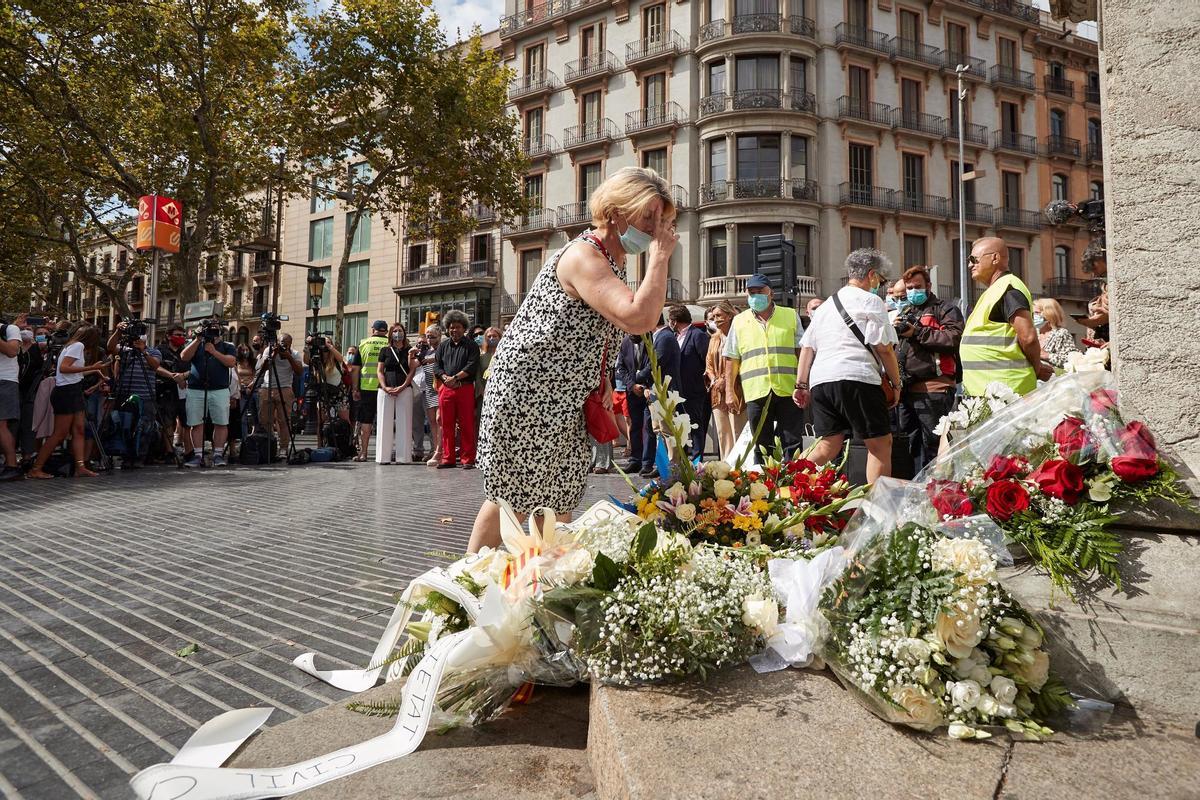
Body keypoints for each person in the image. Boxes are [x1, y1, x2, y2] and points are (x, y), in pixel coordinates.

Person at [471, 166, 678, 552]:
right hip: (530, 393)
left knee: (560, 496)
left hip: (567, 399)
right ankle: (461, 587)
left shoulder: (610, 260)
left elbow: (596, 335)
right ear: (616, 210)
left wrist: (599, 383)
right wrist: (659, 258)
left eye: (662, 220)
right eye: (648, 215)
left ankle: (537, 584)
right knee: (513, 498)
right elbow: (638, 318)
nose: (655, 228)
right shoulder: (585, 254)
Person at [795, 249, 901, 483]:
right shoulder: (871, 301)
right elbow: (884, 348)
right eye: (881, 281)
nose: (880, 286)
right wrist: (896, 382)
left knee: (827, 443)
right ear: (872, 275)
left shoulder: (824, 306)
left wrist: (801, 384)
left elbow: (807, 347)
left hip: (821, 381)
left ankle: (785, 483)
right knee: (880, 444)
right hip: (858, 377)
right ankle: (876, 508)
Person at [724, 273, 805, 459]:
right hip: (756, 390)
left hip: (788, 388)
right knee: (761, 444)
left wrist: (803, 383)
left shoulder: (790, 316)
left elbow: (801, 352)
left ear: (771, 293)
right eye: (751, 292)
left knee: (792, 442)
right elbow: (731, 358)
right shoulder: (739, 321)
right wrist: (730, 391)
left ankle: (792, 485)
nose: (755, 296)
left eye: (759, 291)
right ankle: (763, 485)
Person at [961, 237, 1052, 396]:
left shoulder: (1009, 288)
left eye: (974, 259)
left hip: (1006, 392)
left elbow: (1028, 337)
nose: (970, 265)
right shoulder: (996, 290)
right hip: (991, 392)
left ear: (995, 258)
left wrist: (1036, 368)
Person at [894, 266, 964, 473]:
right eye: (909, 288)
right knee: (911, 446)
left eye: (917, 287)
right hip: (907, 390)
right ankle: (917, 490)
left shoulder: (945, 309)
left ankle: (936, 491)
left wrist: (917, 332)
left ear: (928, 286)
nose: (913, 292)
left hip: (935, 389)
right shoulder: (907, 311)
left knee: (934, 447)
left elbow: (952, 339)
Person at [27, 324, 109, 479]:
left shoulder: (73, 345)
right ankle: (36, 468)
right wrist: (91, 367)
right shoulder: (77, 346)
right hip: (66, 393)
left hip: (73, 390)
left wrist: (97, 370)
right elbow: (65, 368)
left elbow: (71, 373)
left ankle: (80, 467)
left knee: (79, 430)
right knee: (60, 433)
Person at [178, 321, 237, 467]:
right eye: (209, 330)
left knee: (221, 422)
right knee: (195, 422)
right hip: (196, 389)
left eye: (215, 330)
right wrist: (198, 339)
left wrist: (214, 352)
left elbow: (231, 362)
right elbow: (184, 356)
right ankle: (198, 456)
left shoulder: (227, 346)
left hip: (220, 390)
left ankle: (217, 455)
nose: (212, 332)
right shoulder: (197, 344)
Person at [105, 321, 163, 468]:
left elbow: (155, 365)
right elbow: (110, 348)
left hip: (146, 397)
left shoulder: (154, 351)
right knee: (125, 425)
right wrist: (118, 332)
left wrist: (144, 351)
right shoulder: (125, 351)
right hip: (125, 394)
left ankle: (140, 457)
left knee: (145, 427)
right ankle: (124, 455)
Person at [635, 311, 681, 478]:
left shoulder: (665, 337)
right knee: (658, 430)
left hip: (665, 391)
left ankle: (672, 465)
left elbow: (658, 362)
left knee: (667, 429)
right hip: (657, 391)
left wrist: (639, 376)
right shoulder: (659, 336)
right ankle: (663, 464)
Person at [434, 310, 480, 469]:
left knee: (467, 424)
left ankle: (468, 459)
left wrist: (456, 378)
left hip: (464, 388)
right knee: (446, 425)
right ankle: (448, 458)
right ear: (447, 328)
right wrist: (445, 377)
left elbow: (472, 365)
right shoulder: (442, 346)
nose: (455, 330)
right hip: (446, 389)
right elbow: (436, 366)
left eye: (458, 327)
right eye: (452, 327)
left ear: (464, 328)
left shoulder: (471, 345)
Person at [705, 300, 745, 462]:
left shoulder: (740, 336)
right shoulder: (713, 339)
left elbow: (742, 361)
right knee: (723, 433)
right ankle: (726, 466)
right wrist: (715, 379)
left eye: (719, 315)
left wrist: (724, 379)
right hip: (716, 392)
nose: (716, 319)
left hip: (737, 389)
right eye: (714, 316)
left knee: (738, 431)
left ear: (729, 316)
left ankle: (741, 467)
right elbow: (708, 365)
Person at [668, 304, 711, 458]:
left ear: (674, 321)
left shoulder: (697, 335)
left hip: (694, 390)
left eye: (670, 320)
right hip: (678, 391)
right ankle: (684, 456)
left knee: (696, 424)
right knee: (682, 425)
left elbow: (706, 361)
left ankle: (697, 457)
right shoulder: (674, 337)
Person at [375, 323, 418, 464]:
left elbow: (412, 370)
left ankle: (403, 457)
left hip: (404, 388)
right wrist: (384, 387)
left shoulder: (410, 350)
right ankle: (383, 457)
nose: (397, 333)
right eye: (395, 331)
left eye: (400, 331)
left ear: (404, 333)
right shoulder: (385, 350)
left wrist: (403, 386)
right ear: (390, 334)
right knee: (383, 422)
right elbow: (380, 371)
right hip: (385, 389)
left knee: (404, 422)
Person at [255, 332, 303, 455]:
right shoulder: (268, 350)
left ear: (290, 344)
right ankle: (269, 445)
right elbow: (262, 369)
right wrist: (273, 353)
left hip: (285, 388)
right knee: (265, 419)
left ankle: (283, 447)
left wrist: (289, 357)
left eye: (286, 345)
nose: (283, 346)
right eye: (282, 343)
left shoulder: (295, 354)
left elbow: (299, 372)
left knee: (284, 420)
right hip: (268, 387)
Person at [352, 320, 390, 462]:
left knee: (366, 422)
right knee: (386, 421)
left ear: (373, 330)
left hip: (367, 387)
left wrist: (355, 388)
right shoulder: (390, 344)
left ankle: (364, 453)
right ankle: (386, 452)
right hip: (386, 387)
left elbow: (355, 369)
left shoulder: (363, 344)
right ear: (386, 331)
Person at [617, 332, 651, 472]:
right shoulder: (625, 342)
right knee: (635, 425)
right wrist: (632, 385)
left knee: (649, 427)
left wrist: (642, 383)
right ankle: (635, 459)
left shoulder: (652, 339)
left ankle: (647, 462)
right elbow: (620, 367)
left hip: (649, 389)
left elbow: (653, 364)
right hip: (632, 391)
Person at [417, 325, 443, 466]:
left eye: (432, 336)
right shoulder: (425, 352)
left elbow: (443, 359)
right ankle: (434, 449)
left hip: (439, 388)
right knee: (432, 421)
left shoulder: (444, 348)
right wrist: (412, 354)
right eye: (427, 336)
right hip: (428, 389)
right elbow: (414, 365)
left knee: (440, 420)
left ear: (439, 336)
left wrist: (431, 360)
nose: (429, 338)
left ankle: (441, 449)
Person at [0, 314, 22, 479]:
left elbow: (12, 351)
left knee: (1, 425)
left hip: (4, 381)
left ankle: (12, 465)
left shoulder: (10, 329)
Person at [1032, 298, 1078, 369]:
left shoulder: (1061, 333)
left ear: (1049, 314)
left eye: (1036, 313)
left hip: (1054, 378)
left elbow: (1071, 360)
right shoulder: (1034, 333)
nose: (1033, 316)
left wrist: (1047, 356)